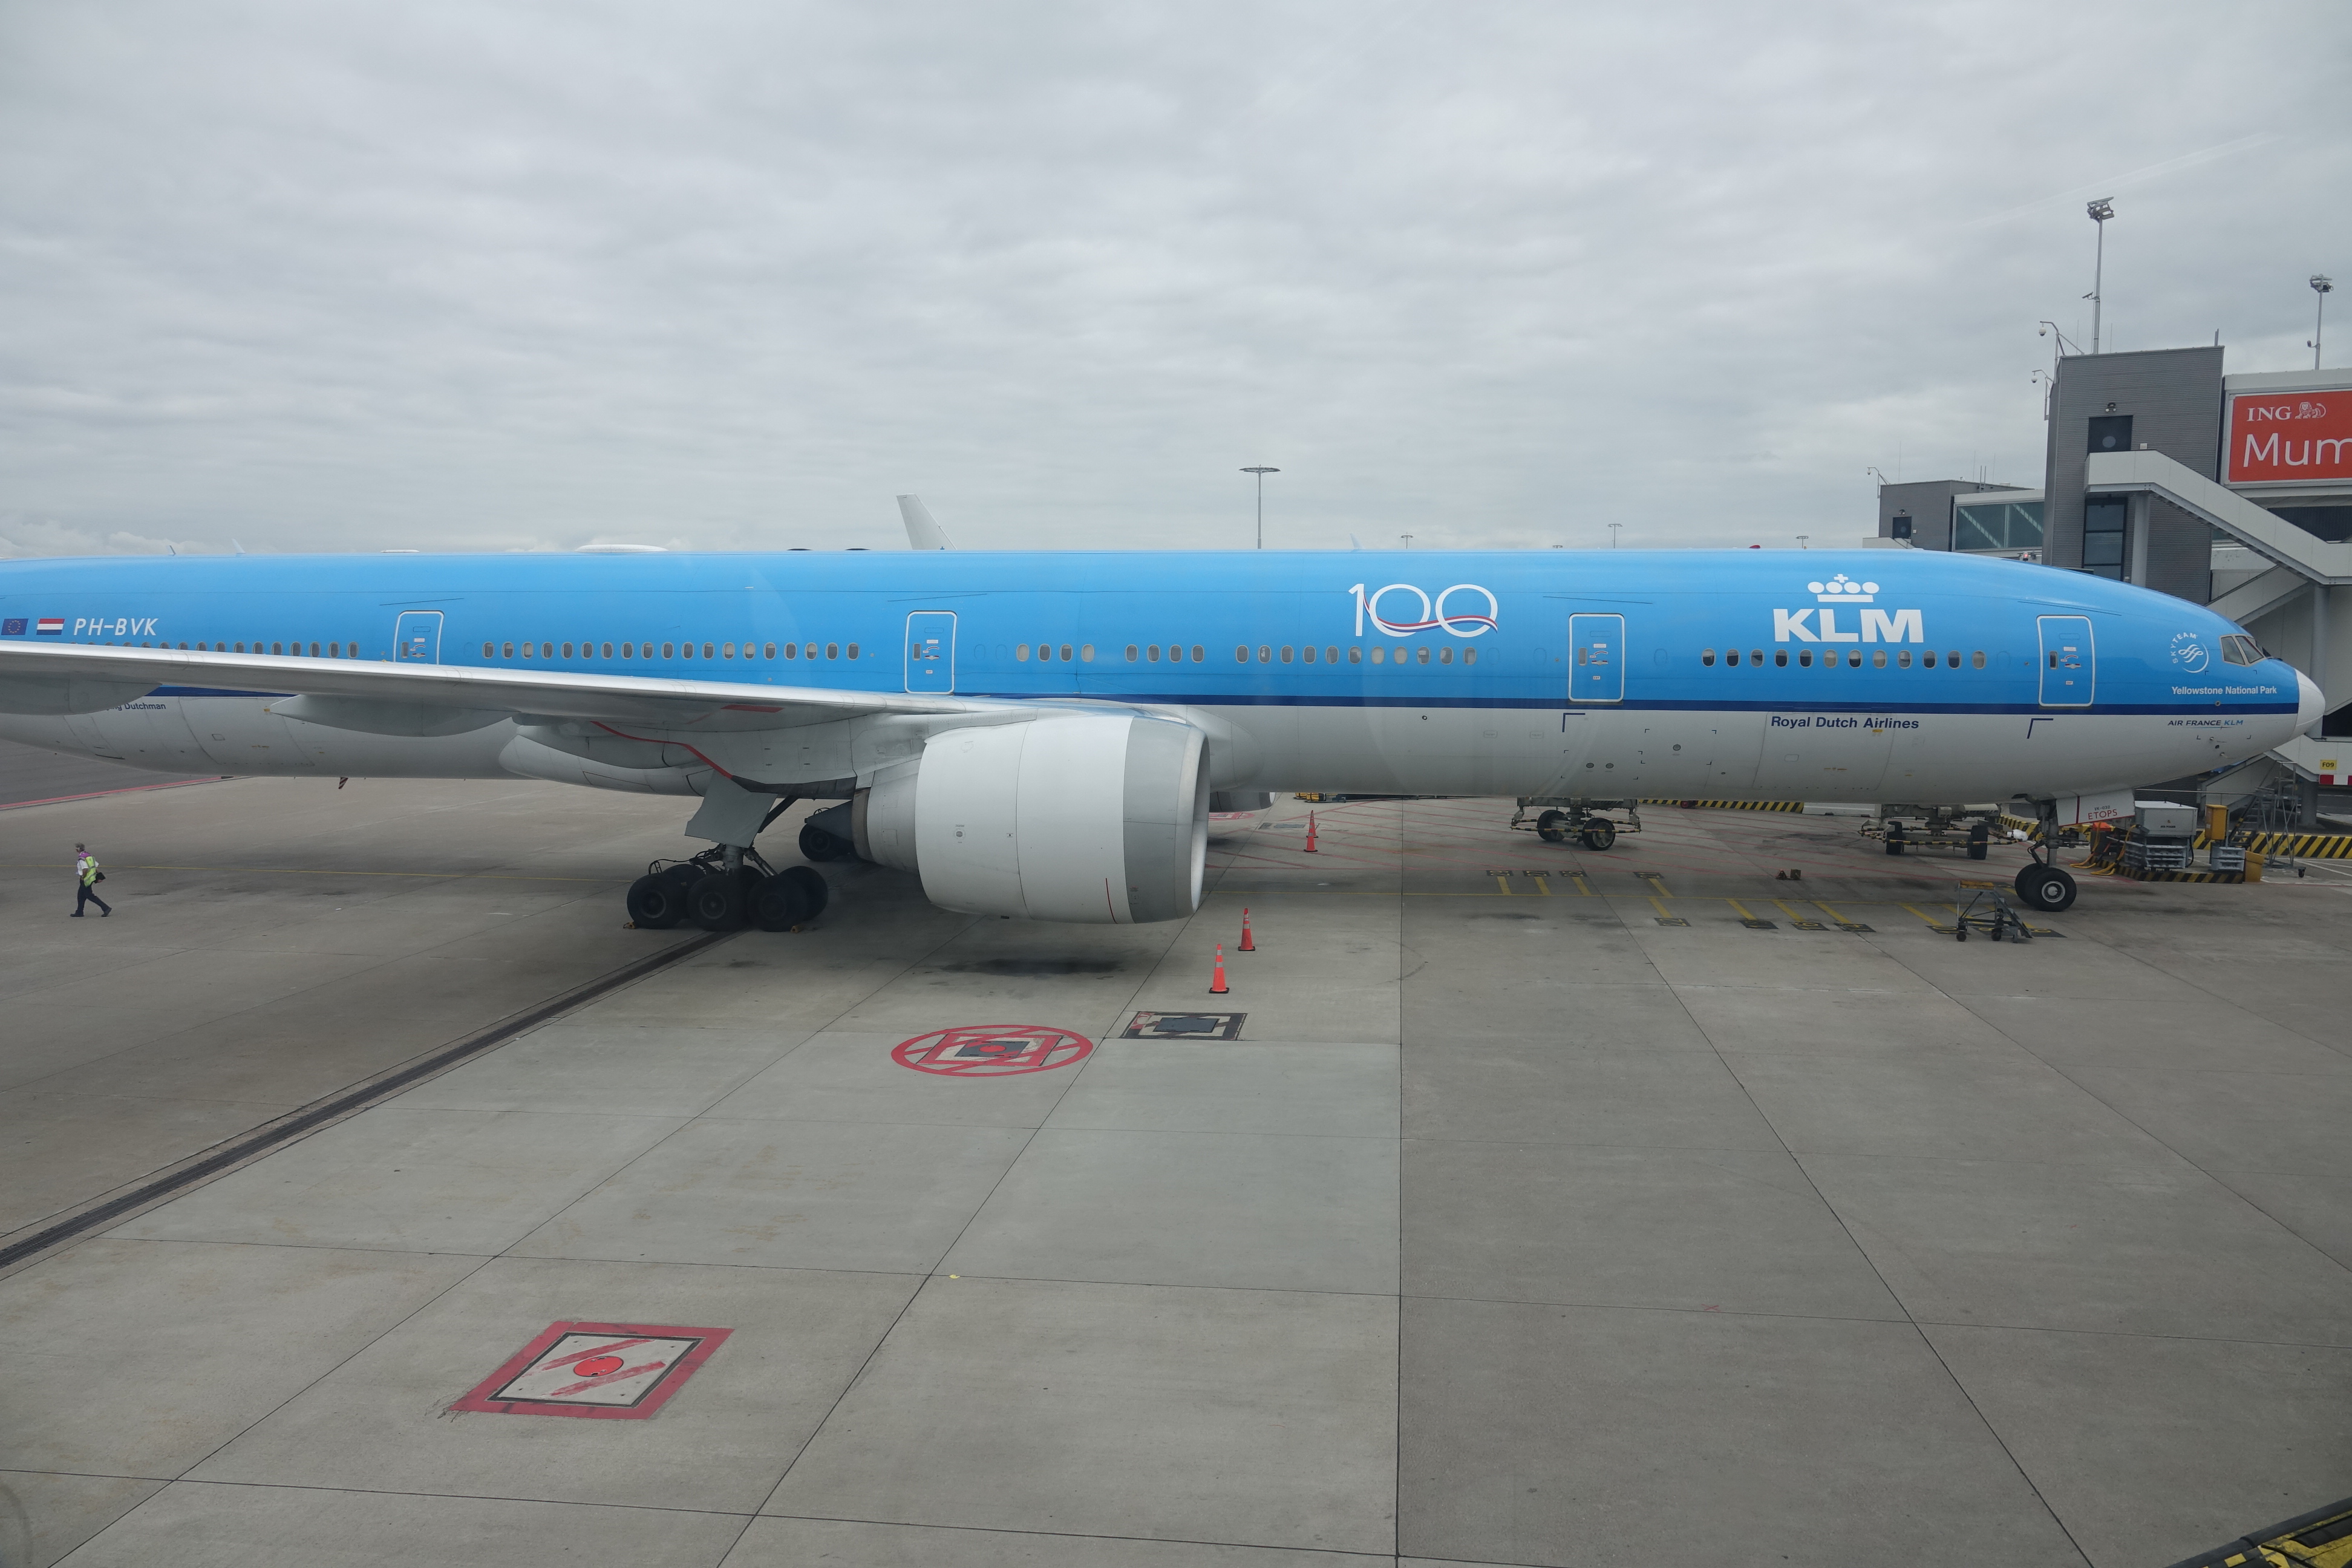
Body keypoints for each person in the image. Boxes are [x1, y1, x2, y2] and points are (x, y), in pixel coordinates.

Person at [72, 843, 110, 918]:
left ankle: (106, 908)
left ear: (77, 850)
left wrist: (83, 877)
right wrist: (99, 877)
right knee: (81, 895)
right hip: (91, 878)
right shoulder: (89, 856)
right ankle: (79, 912)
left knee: (89, 896)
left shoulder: (82, 858)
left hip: (86, 880)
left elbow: (85, 869)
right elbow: (95, 868)